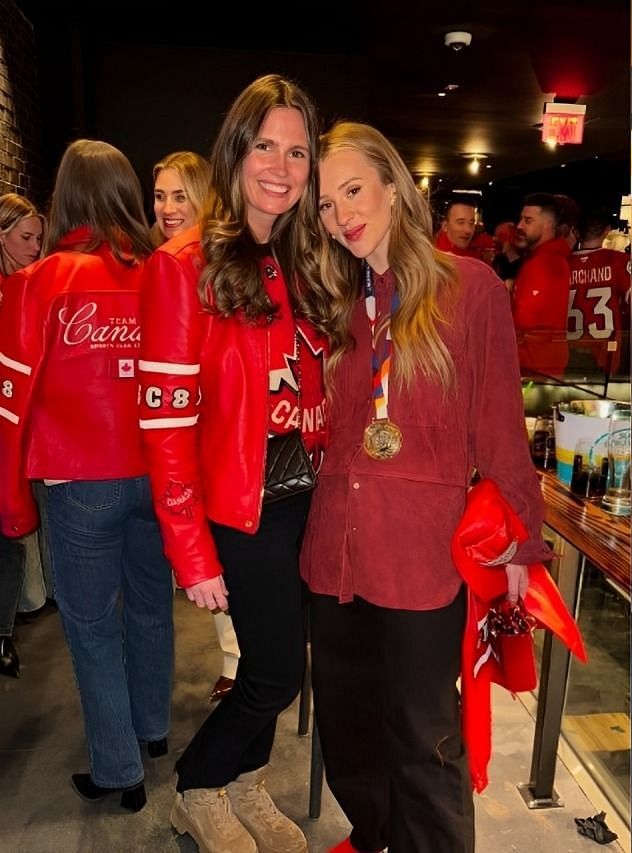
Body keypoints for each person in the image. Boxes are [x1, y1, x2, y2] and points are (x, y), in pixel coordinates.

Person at [307, 120, 548, 853]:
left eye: (353, 190)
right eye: (323, 203)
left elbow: (501, 426)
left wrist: (521, 544)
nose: (341, 213)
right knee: (347, 722)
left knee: (423, 736)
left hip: (419, 555)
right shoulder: (341, 305)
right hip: (335, 552)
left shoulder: (467, 288)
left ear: (393, 188)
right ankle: (373, 833)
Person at [139, 74, 333, 853]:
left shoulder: (303, 257)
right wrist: (190, 548)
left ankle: (242, 780)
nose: (281, 165)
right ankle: (196, 784)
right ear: (235, 149)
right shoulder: (182, 265)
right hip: (240, 501)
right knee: (276, 670)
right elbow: (165, 420)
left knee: (273, 660)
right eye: (265, 145)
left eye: (297, 150)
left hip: (305, 496)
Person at [0, 140, 171, 812]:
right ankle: (153, 732)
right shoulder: (164, 274)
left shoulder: (36, 282)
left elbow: (9, 405)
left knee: (93, 624)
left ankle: (118, 767)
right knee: (152, 607)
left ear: (64, 195)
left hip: (79, 482)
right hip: (158, 477)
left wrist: (13, 504)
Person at [151, 149, 238, 703]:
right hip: (198, 436)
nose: (167, 207)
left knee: (225, 563)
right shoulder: (167, 260)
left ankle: (241, 664)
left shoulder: (202, 262)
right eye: (159, 195)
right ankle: (239, 659)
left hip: (221, 437)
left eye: (180, 194)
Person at [0, 191, 43, 678]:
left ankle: (8, 626)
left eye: (38, 237)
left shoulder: (28, 283)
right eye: (25, 237)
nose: (35, 245)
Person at [511, 192, 572, 377]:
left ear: (547, 225)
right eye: (521, 219)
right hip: (541, 365)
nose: (520, 225)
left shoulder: (544, 264)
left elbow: (526, 321)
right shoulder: (547, 259)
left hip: (534, 369)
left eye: (528, 220)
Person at [568, 208, 630, 373]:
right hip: (607, 353)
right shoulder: (619, 261)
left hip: (568, 350)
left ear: (576, 232)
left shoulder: (562, 265)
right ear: (607, 230)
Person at [152, 151, 212, 243]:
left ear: (203, 200)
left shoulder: (223, 253)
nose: (167, 210)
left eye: (180, 198)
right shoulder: (147, 246)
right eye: (159, 197)